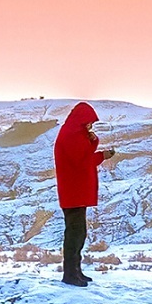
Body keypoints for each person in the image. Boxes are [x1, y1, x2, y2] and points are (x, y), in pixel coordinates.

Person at [53, 102, 116, 286]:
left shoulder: (74, 134)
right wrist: (102, 155)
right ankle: (70, 274)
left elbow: (84, 155)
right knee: (75, 233)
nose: (90, 126)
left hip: (75, 191)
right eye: (89, 122)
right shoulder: (72, 136)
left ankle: (76, 271)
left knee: (78, 232)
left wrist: (93, 140)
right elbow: (84, 161)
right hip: (73, 191)